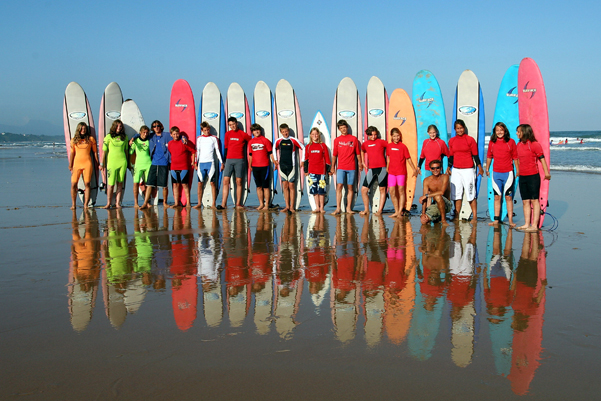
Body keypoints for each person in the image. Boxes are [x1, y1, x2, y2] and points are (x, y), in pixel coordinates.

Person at [515, 124, 551, 231]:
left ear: (524, 132)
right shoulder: (519, 144)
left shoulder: (535, 144)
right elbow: (517, 160)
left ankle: (534, 225)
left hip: (533, 176)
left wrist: (546, 173)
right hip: (522, 176)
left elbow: (542, 159)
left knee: (535, 201)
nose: (517, 133)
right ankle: (527, 224)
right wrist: (517, 171)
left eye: (518, 131)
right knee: (525, 201)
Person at [447, 119, 484, 220]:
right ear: (455, 129)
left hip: (468, 169)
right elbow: (451, 156)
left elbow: (475, 155)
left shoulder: (470, 140)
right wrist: (449, 167)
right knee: (456, 193)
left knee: (470, 193)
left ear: (464, 128)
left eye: (461, 128)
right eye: (458, 128)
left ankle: (475, 217)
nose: (460, 130)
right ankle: (457, 215)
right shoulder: (452, 141)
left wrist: (480, 168)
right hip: (456, 170)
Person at [486, 122, 518, 227]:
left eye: (501, 130)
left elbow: (515, 157)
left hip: (508, 173)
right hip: (496, 173)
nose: (499, 132)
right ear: (495, 132)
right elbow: (489, 156)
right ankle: (496, 219)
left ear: (505, 131)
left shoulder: (511, 142)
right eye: (497, 130)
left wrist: (518, 170)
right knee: (497, 197)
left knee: (508, 197)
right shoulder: (492, 142)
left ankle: (510, 221)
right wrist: (487, 168)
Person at [331, 119, 363, 215]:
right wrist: (333, 166)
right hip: (341, 167)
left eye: (344, 127)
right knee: (339, 186)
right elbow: (334, 155)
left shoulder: (353, 139)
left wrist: (360, 164)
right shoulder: (337, 140)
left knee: (350, 187)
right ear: (339, 129)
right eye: (341, 128)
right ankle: (338, 208)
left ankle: (348, 208)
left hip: (351, 167)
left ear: (347, 127)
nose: (343, 129)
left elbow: (358, 154)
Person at [218, 117, 251, 210]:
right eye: (230, 125)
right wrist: (223, 162)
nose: (232, 126)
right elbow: (226, 148)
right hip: (229, 159)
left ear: (236, 123)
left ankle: (238, 204)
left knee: (239, 182)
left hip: (240, 160)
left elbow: (251, 141)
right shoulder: (228, 134)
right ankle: (223, 204)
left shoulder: (243, 134)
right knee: (225, 181)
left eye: (233, 124)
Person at [387, 127, 418, 218]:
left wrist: (414, 169)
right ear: (391, 137)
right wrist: (387, 168)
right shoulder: (389, 146)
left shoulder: (403, 146)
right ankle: (396, 211)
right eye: (394, 136)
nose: (396, 138)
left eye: (398, 136)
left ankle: (400, 211)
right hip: (392, 172)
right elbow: (388, 158)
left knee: (401, 191)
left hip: (401, 172)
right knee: (392, 191)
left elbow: (408, 159)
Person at [140, 120, 171, 209]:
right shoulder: (151, 136)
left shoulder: (166, 135)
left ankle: (165, 202)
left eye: (157, 125)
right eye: (154, 126)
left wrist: (183, 138)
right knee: (149, 184)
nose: (156, 127)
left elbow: (177, 135)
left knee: (164, 186)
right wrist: (133, 138)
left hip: (164, 163)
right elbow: (140, 135)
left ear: (161, 126)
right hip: (153, 163)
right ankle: (145, 202)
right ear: (152, 128)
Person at [274, 123, 304, 213]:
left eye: (286, 131)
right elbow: (273, 149)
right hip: (282, 166)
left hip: (292, 165)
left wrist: (302, 160)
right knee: (285, 186)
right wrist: (275, 160)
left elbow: (303, 148)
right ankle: (286, 206)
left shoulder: (293, 140)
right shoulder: (278, 141)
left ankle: (292, 207)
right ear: (281, 132)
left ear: (288, 131)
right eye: (283, 132)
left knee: (291, 186)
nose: (285, 133)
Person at [69, 122, 99, 209]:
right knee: (74, 184)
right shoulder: (74, 140)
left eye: (85, 128)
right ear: (78, 129)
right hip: (77, 164)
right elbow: (72, 153)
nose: (83, 130)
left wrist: (97, 163)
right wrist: (70, 164)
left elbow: (94, 152)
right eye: (81, 129)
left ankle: (85, 204)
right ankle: (73, 204)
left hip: (87, 164)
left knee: (87, 184)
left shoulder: (90, 139)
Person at [193, 121, 223, 209]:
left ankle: (213, 203)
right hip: (201, 163)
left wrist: (221, 162)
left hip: (211, 163)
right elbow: (197, 151)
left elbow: (217, 150)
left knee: (213, 183)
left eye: (208, 130)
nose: (207, 131)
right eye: (205, 130)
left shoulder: (214, 138)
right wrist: (195, 163)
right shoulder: (199, 139)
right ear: (202, 130)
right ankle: (199, 203)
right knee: (200, 183)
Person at [360, 126, 388, 215]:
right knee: (363, 190)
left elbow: (391, 147)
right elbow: (362, 151)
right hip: (371, 169)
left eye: (375, 135)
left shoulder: (381, 142)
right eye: (371, 135)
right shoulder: (365, 144)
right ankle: (366, 210)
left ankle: (379, 210)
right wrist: (363, 162)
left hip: (382, 168)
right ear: (368, 135)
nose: (374, 136)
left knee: (382, 189)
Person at [248, 123, 276, 211]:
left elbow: (270, 153)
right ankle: (261, 204)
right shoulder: (251, 142)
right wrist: (250, 165)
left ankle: (267, 204)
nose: (256, 131)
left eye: (258, 130)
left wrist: (274, 162)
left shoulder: (265, 141)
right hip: (255, 166)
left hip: (265, 166)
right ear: (252, 132)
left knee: (265, 186)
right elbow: (250, 155)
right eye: (254, 130)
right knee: (258, 186)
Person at [101, 120, 128, 209]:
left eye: (120, 126)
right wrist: (102, 163)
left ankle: (117, 203)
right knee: (111, 184)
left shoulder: (125, 137)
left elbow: (126, 151)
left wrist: (128, 163)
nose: (119, 128)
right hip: (111, 163)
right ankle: (108, 203)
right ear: (114, 127)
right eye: (117, 126)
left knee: (120, 183)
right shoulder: (108, 137)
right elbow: (104, 152)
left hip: (122, 162)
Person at [303, 127, 331, 213]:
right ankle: (317, 207)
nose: (315, 136)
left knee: (321, 191)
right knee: (314, 191)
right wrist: (305, 170)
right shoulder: (308, 146)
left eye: (316, 134)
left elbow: (327, 159)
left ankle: (322, 208)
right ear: (310, 136)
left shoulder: (323, 146)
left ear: (318, 135)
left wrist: (329, 170)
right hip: (312, 172)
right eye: (313, 134)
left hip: (321, 172)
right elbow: (306, 159)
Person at [167, 126, 195, 209]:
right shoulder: (170, 143)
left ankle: (188, 203)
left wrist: (193, 161)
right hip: (173, 167)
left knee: (185, 185)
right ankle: (176, 203)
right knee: (175, 185)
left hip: (184, 167)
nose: (176, 135)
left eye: (177, 134)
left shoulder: (184, 142)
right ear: (171, 134)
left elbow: (193, 151)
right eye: (174, 134)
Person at [419, 159, 452, 226]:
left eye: (437, 168)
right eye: (433, 168)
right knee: (424, 221)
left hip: (446, 205)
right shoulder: (427, 180)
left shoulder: (445, 177)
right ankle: (436, 217)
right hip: (435, 204)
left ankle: (443, 220)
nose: (435, 170)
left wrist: (427, 195)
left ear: (441, 168)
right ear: (430, 169)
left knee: (438, 196)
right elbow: (424, 198)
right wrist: (423, 213)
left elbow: (442, 192)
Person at [128, 125, 152, 208]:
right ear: (140, 133)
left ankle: (146, 202)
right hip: (138, 165)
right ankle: (136, 203)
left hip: (148, 164)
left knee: (147, 184)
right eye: (143, 132)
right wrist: (130, 144)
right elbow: (131, 153)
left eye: (146, 133)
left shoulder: (149, 141)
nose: (145, 134)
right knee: (136, 183)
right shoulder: (136, 141)